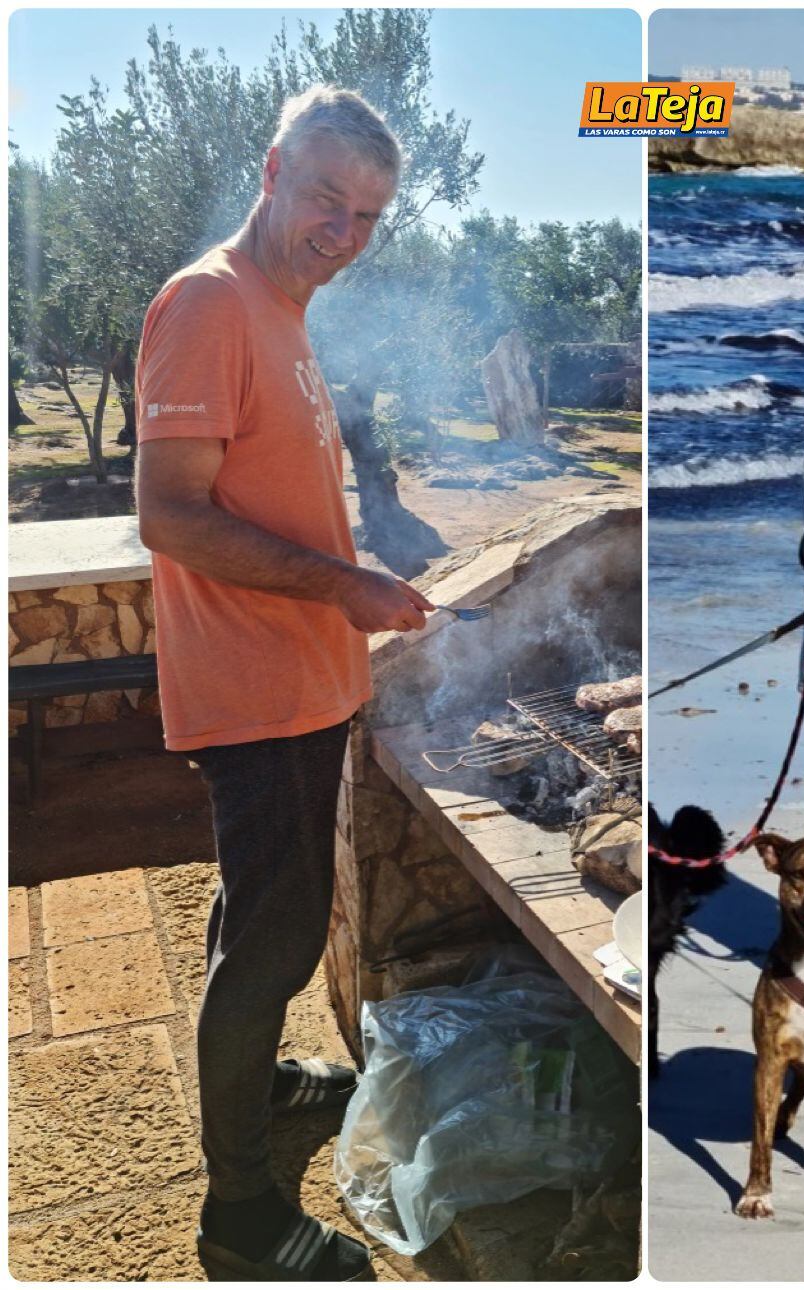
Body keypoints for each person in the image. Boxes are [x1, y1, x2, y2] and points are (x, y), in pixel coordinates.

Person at [136, 86, 434, 1280]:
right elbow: (168, 514)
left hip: (303, 686)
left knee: (253, 914)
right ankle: (242, 1215)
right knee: (276, 941)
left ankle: (258, 1082)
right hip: (257, 694)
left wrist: (352, 588)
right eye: (326, 197)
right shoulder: (209, 303)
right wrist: (344, 587)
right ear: (272, 171)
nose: (344, 232)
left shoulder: (282, 308)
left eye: (368, 214)